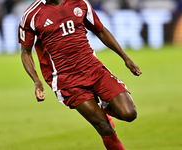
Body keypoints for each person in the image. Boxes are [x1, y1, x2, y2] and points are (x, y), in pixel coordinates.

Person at [18, 0, 142, 149]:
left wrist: (125, 58)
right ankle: (103, 118)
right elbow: (25, 52)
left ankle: (104, 108)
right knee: (104, 127)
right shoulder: (32, 14)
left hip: (94, 69)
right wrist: (36, 80)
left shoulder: (80, 3)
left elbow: (100, 30)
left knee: (129, 114)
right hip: (66, 80)